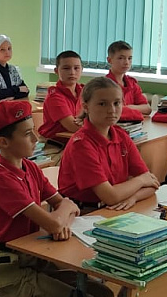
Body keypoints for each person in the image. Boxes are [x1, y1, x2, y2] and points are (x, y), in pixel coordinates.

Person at [0, 99, 118, 297]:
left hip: (34, 259)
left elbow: (66, 203)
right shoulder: (1, 179)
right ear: (4, 142)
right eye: (27, 134)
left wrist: (62, 213)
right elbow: (55, 222)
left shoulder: (30, 167)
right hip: (7, 271)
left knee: (104, 295)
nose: (36, 139)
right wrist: (60, 217)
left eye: (34, 130)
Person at [57, 78, 159, 211]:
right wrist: (141, 181)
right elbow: (110, 196)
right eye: (102, 104)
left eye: (117, 103)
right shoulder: (81, 144)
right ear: (86, 107)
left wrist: (133, 197)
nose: (111, 110)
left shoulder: (121, 135)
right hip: (83, 212)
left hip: (115, 206)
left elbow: (152, 184)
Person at [38, 51, 84, 141]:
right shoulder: (54, 96)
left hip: (76, 139)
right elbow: (73, 126)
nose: (72, 72)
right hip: (54, 143)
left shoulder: (85, 92)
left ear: (82, 70)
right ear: (56, 71)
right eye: (66, 68)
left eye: (76, 68)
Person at [104, 41, 152, 115]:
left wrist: (127, 108)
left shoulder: (132, 83)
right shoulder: (104, 85)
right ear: (109, 60)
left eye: (129, 58)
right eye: (121, 58)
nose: (126, 62)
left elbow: (147, 108)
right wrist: (135, 109)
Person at [0, 35, 29, 101]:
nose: (7, 52)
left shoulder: (13, 69)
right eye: (2, 50)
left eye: (9, 48)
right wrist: (18, 89)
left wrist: (13, 97)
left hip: (10, 105)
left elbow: (26, 90)